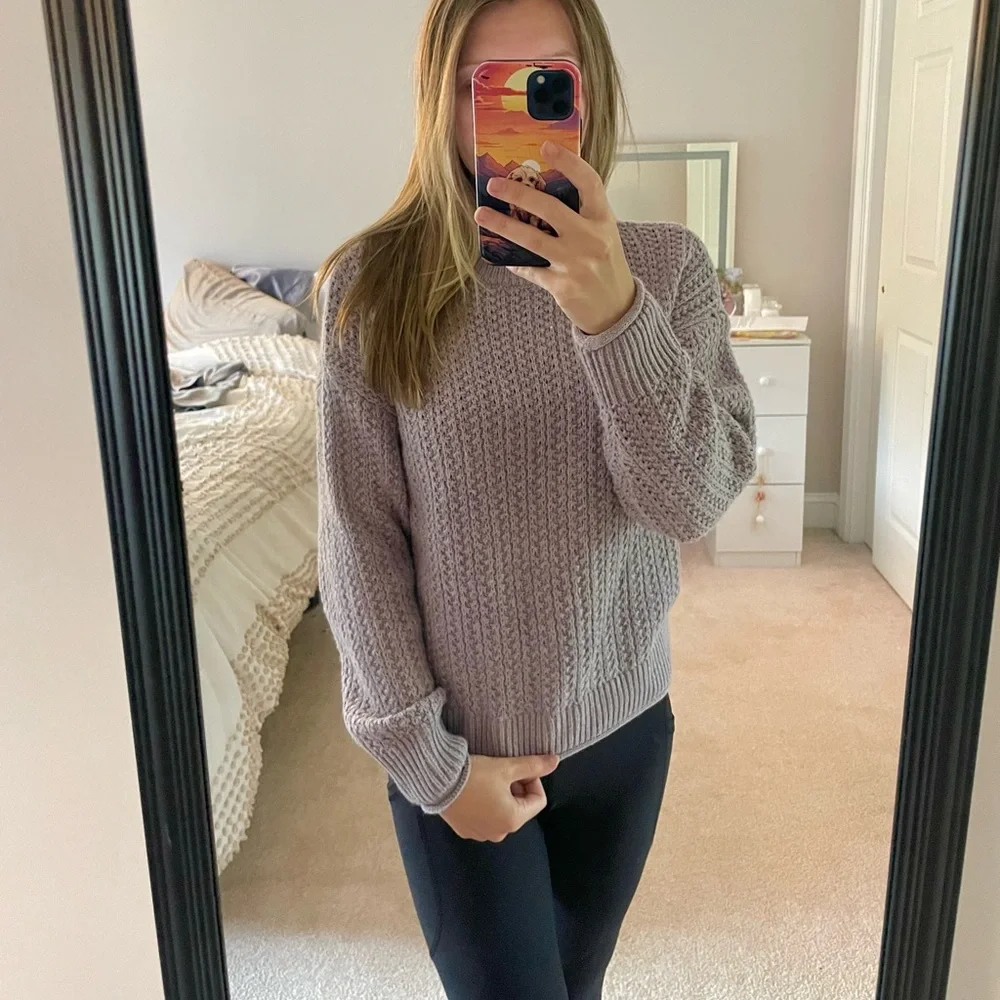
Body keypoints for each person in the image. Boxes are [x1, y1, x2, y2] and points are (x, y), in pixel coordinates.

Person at [314, 0, 756, 996]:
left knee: (577, 983)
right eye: (486, 85)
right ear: (441, 101)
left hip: (626, 730)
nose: (515, 112)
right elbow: (358, 545)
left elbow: (687, 503)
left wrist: (613, 316)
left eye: (546, 81)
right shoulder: (371, 289)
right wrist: (426, 764)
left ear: (587, 90)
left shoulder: (669, 269)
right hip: (459, 752)